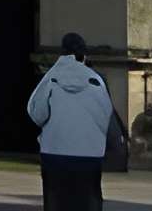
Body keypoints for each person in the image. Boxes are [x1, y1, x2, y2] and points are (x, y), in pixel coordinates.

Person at [25, 32, 115, 210]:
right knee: (88, 202)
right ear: (84, 54)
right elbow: (106, 115)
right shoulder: (96, 81)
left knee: (56, 202)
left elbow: (36, 112)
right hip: (89, 155)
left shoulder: (51, 78)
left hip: (55, 153)